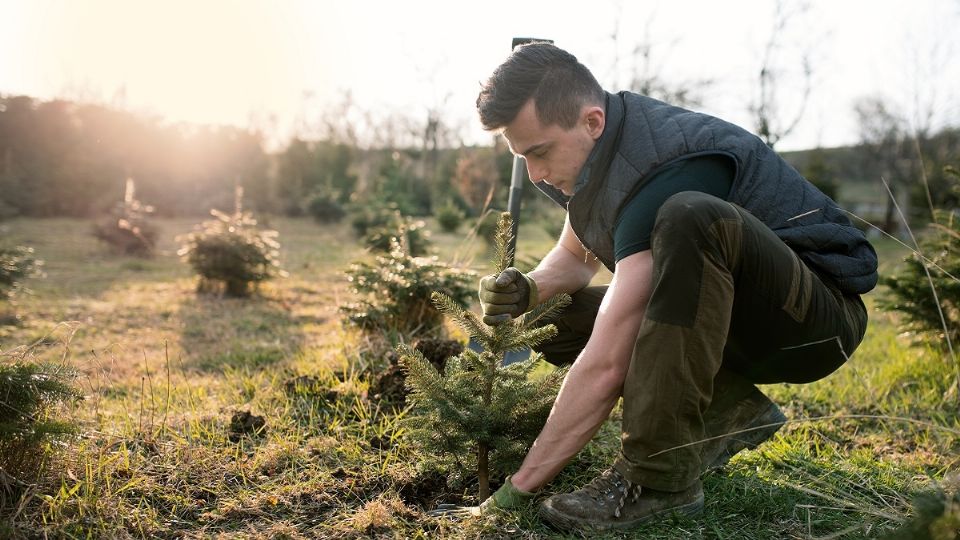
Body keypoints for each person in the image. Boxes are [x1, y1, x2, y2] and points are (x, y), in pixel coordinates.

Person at [473, 42, 877, 531]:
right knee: (550, 316)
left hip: (812, 321)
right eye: (523, 158)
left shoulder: (665, 165)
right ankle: (727, 409)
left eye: (539, 152)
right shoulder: (596, 154)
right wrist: (529, 290)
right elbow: (576, 256)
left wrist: (519, 488)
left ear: (592, 122)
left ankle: (657, 479)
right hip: (727, 318)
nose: (535, 174)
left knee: (691, 216)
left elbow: (607, 360)